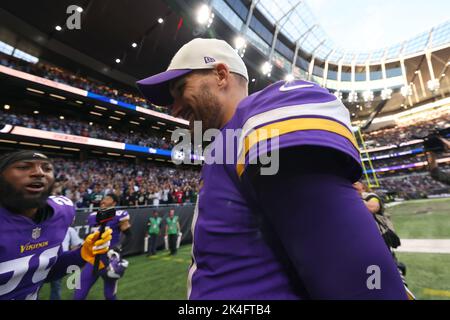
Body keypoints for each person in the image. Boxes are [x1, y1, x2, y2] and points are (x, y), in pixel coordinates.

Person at [137, 38, 409, 299]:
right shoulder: (227, 144)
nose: (174, 110)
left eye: (181, 89)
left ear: (221, 75)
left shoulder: (259, 123)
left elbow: (358, 275)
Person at [0, 150, 112, 300]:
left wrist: (81, 254)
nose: (39, 173)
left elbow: (47, 272)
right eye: (23, 167)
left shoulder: (61, 212)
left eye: (47, 168)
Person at [73, 193, 132, 300]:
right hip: (94, 260)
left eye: (107, 199)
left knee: (109, 296)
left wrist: (118, 247)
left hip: (109, 259)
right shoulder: (93, 216)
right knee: (79, 293)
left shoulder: (119, 215)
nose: (103, 201)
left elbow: (128, 235)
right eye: (103, 198)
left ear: (114, 203)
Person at [49, 221, 83, 300]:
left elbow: (76, 245)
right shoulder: (47, 227)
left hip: (59, 261)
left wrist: (71, 259)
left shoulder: (69, 230)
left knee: (56, 286)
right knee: (35, 286)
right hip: (44, 260)